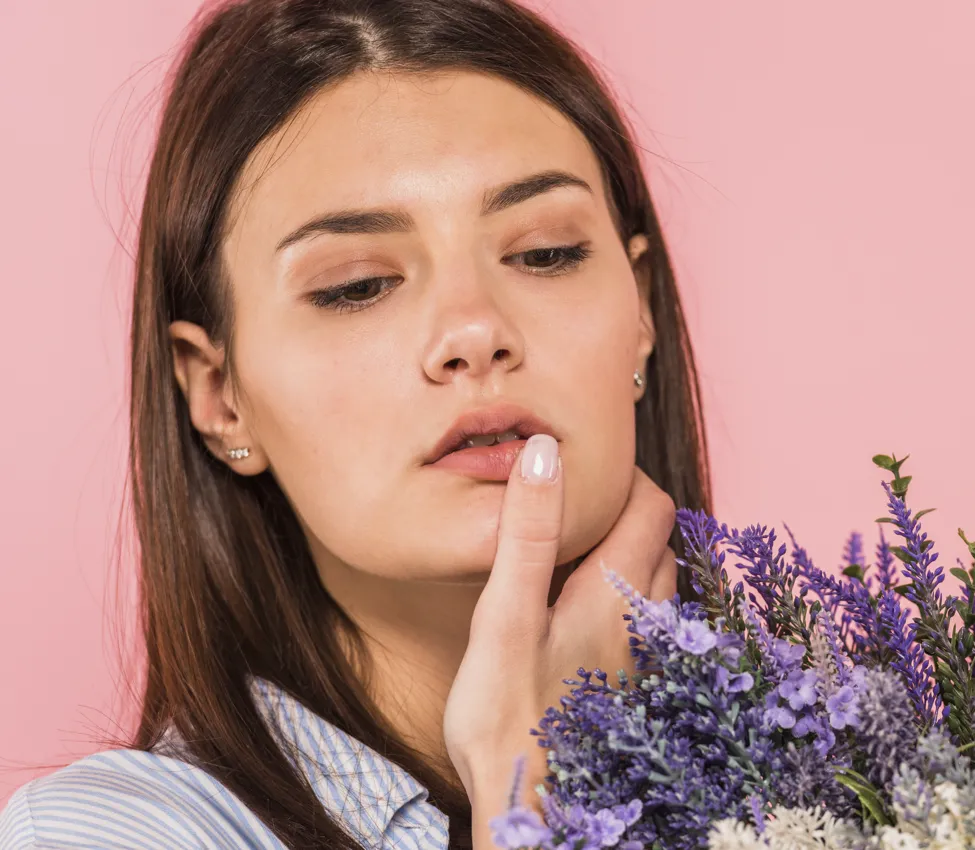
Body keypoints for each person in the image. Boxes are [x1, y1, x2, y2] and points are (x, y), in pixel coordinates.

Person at [0, 0, 711, 847]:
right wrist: (534, 782)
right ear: (221, 394)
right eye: (357, 285)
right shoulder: (111, 833)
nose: (474, 331)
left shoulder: (848, 756)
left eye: (544, 253)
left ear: (640, 315)